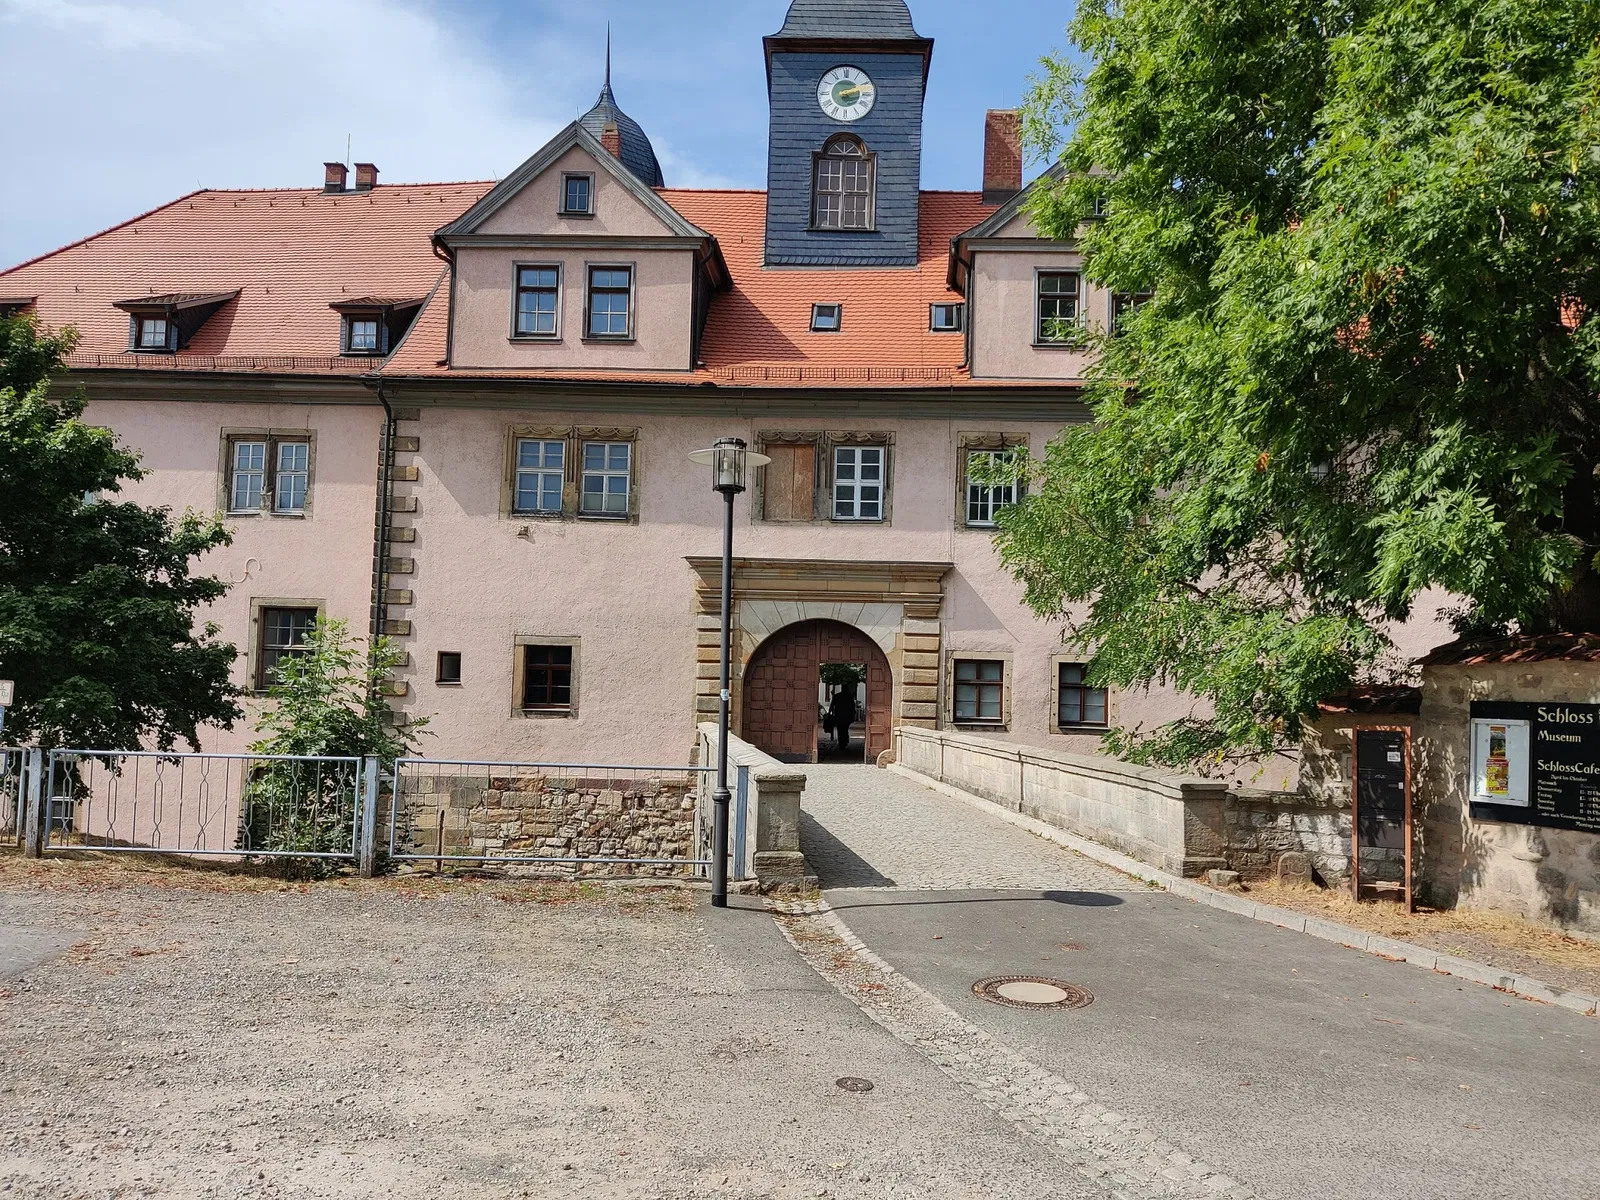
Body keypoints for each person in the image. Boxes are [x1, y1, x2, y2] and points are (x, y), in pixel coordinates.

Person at [827, 685, 858, 753]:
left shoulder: (837, 696)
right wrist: (853, 714)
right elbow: (852, 706)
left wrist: (829, 712)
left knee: (840, 729)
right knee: (845, 729)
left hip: (839, 716)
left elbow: (832, 705)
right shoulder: (849, 696)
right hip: (846, 716)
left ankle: (842, 742)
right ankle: (844, 741)